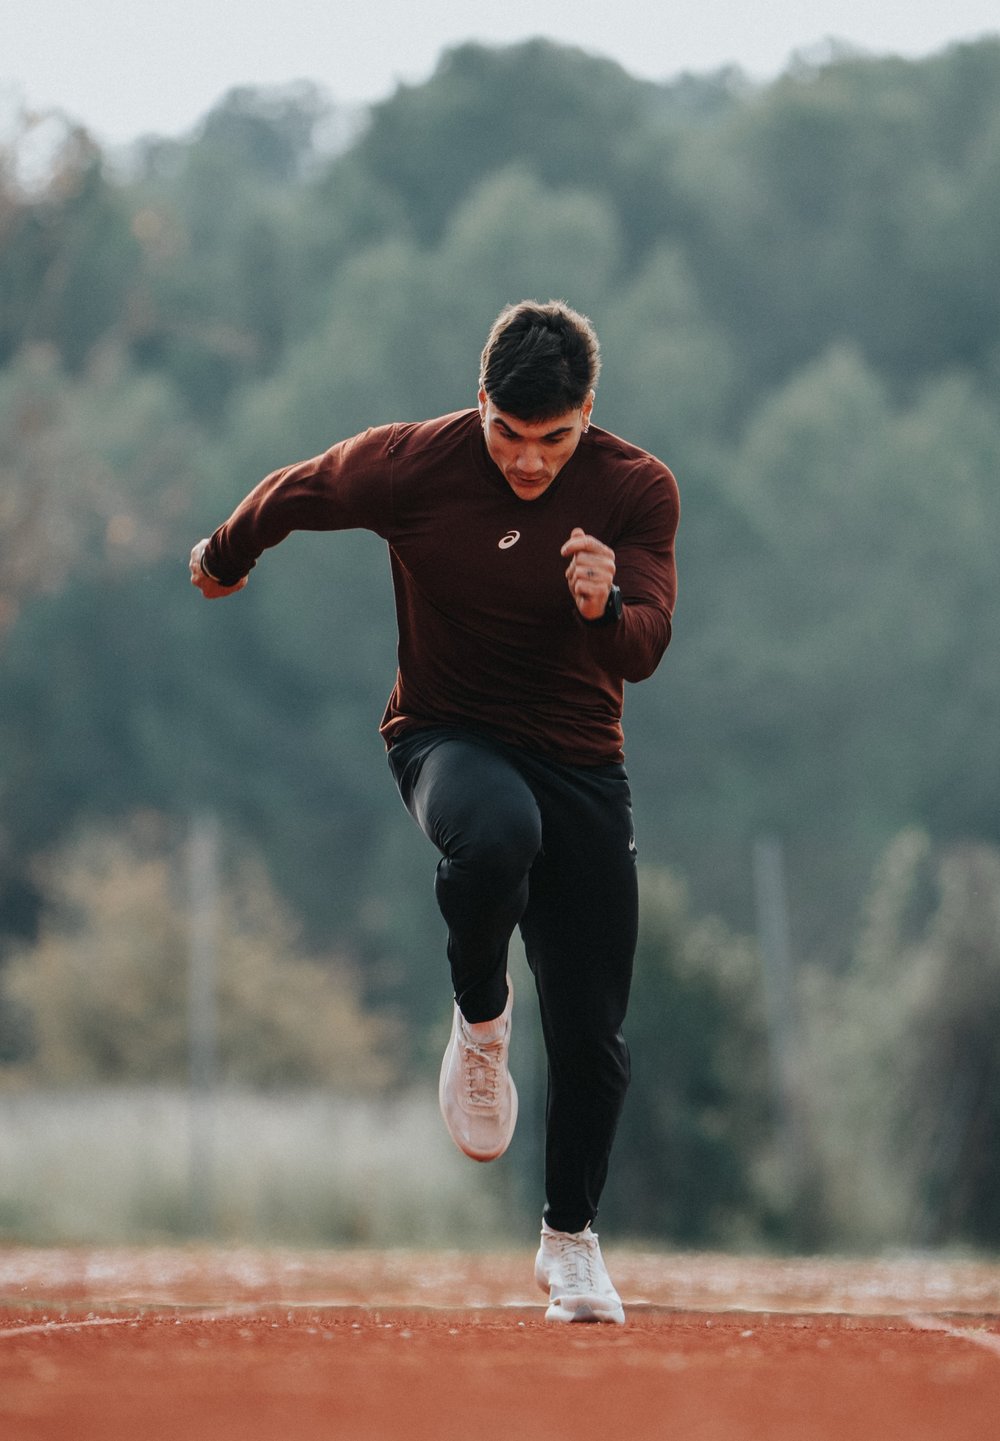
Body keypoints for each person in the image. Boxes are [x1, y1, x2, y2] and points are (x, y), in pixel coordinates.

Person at [189, 299, 679, 1324]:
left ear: (589, 413)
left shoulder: (636, 489)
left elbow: (644, 646)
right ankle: (481, 1020)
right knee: (497, 834)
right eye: (508, 433)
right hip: (446, 735)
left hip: (583, 762)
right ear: (479, 402)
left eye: (554, 438)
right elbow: (299, 489)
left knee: (592, 1032)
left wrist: (603, 607)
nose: (529, 460)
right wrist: (225, 554)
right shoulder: (414, 465)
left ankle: (570, 1243)